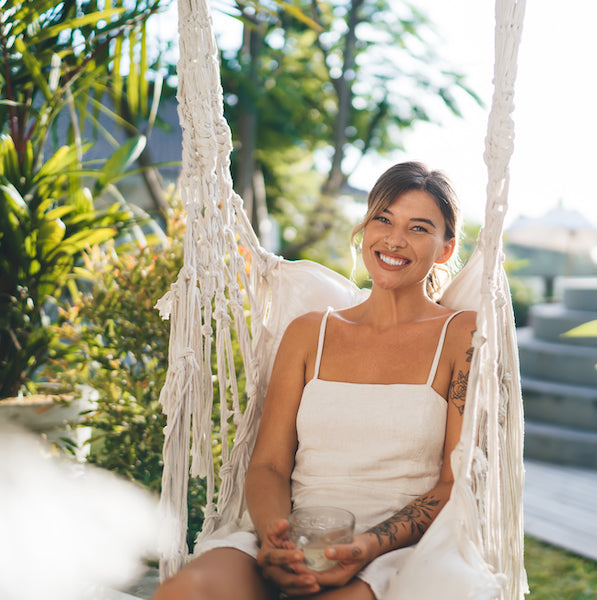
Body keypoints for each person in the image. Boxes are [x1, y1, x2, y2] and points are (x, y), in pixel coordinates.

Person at [153, 161, 476, 600]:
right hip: (288, 534)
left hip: (391, 552)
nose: (395, 239)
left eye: (419, 228)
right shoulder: (310, 332)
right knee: (187, 591)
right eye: (383, 219)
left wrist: (366, 546)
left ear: (444, 248)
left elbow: (453, 483)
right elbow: (269, 465)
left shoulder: (461, 335)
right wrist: (276, 542)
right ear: (364, 229)